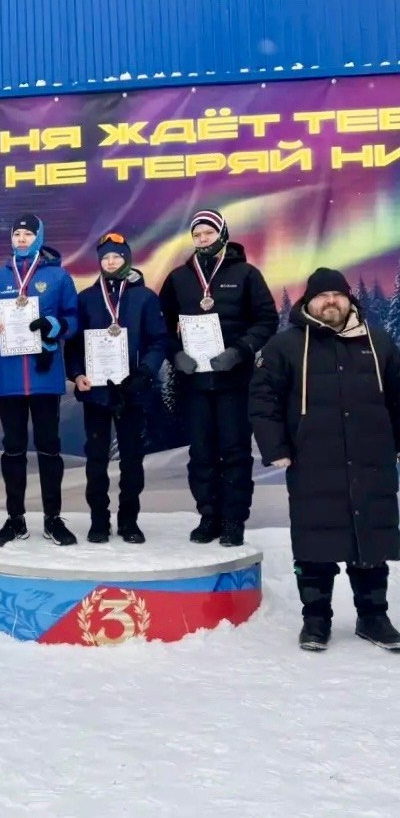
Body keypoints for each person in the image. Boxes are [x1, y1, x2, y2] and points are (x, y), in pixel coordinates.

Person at [250, 268, 400, 652]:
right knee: (315, 544)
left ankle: (373, 617)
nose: (330, 301)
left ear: (349, 300)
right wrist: (277, 448)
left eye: (338, 295)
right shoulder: (284, 346)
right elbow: (262, 401)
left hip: (371, 462)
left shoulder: (378, 342)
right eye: (322, 296)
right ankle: (316, 619)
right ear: (308, 302)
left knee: (370, 542)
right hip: (312, 461)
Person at [160, 209, 277, 547]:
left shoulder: (246, 274)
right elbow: (160, 325)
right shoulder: (179, 278)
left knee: (236, 452)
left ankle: (233, 521)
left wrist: (239, 351)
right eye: (197, 235)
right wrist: (175, 354)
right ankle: (208, 516)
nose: (202, 240)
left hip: (234, 383)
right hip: (195, 384)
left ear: (222, 234)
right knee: (201, 453)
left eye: (208, 233)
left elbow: (266, 320)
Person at [0, 214, 79, 547]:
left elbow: (73, 319)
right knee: (13, 451)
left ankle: (53, 519)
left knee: (50, 449)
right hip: (8, 380)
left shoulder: (57, 276)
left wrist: (54, 325)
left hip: (46, 377)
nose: (21, 239)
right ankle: (15, 519)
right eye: (17, 234)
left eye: (27, 234)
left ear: (38, 237)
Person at [65, 232, 167, 544]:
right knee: (95, 458)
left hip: (132, 390)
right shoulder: (86, 299)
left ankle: (129, 521)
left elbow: (159, 340)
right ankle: (99, 521)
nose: (111, 262)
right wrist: (77, 374)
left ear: (127, 258)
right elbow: (73, 344)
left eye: (116, 256)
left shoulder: (145, 297)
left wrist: (145, 371)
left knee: (132, 459)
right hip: (96, 392)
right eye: (105, 257)